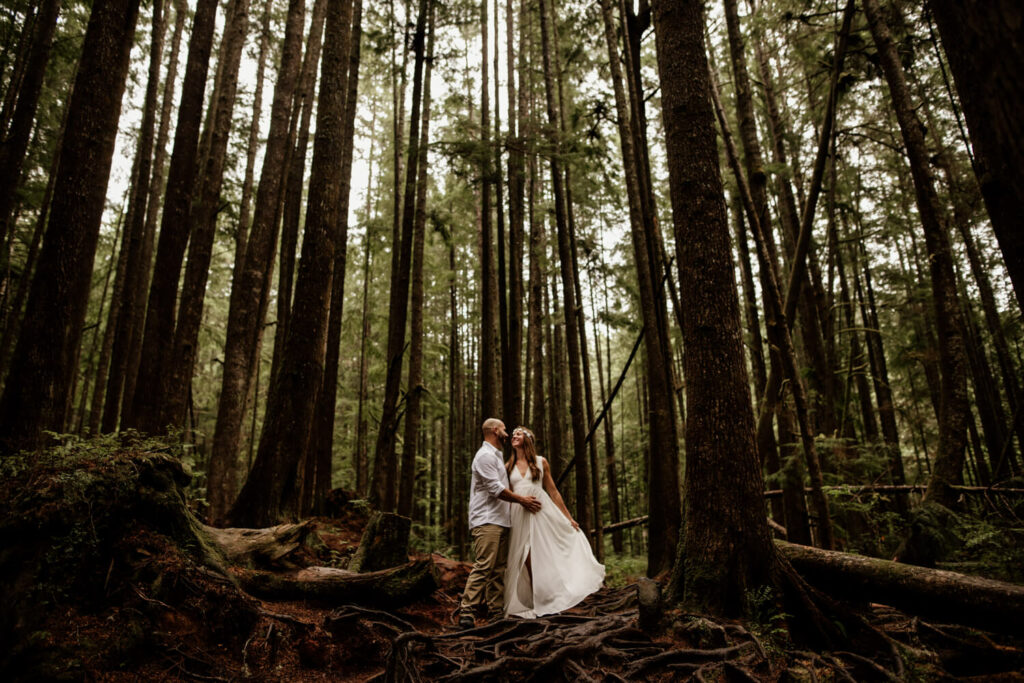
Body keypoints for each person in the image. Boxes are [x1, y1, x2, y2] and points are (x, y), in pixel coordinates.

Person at [503, 426, 605, 618]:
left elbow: (553, 491)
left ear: (528, 439)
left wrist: (568, 517)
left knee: (545, 552)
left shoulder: (541, 462)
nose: (514, 436)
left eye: (519, 433)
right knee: (526, 557)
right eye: (513, 434)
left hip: (542, 512)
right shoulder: (508, 465)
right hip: (519, 514)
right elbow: (507, 494)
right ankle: (536, 598)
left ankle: (552, 594)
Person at [458, 418, 542, 629]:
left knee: (499, 569)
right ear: (496, 431)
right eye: (504, 429)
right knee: (485, 564)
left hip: (502, 520)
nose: (507, 433)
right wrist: (522, 500)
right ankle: (467, 611)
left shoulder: (496, 457)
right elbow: (495, 489)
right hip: (486, 520)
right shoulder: (484, 456)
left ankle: (496, 612)